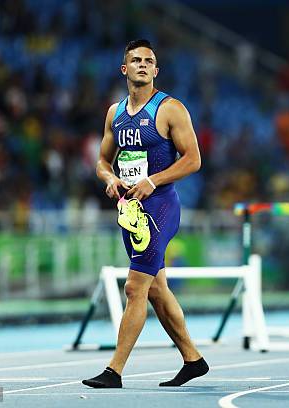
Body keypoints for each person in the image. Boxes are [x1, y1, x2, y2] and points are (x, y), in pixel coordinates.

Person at [82, 39, 208, 388]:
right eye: (135, 60)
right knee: (155, 290)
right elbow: (102, 162)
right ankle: (193, 359)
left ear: (155, 70)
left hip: (161, 208)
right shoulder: (115, 113)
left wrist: (154, 180)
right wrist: (109, 179)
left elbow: (193, 160)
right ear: (124, 69)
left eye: (148, 61)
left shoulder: (169, 109)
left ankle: (114, 371)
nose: (142, 65)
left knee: (135, 288)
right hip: (131, 211)